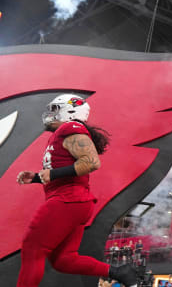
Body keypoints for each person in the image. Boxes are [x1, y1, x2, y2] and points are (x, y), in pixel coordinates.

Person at [15, 94, 136, 287]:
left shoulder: (70, 128)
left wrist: (52, 175)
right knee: (64, 259)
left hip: (67, 200)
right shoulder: (64, 133)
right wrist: (38, 178)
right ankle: (119, 272)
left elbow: (91, 162)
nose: (50, 114)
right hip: (75, 201)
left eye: (56, 109)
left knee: (32, 249)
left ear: (70, 111)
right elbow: (68, 170)